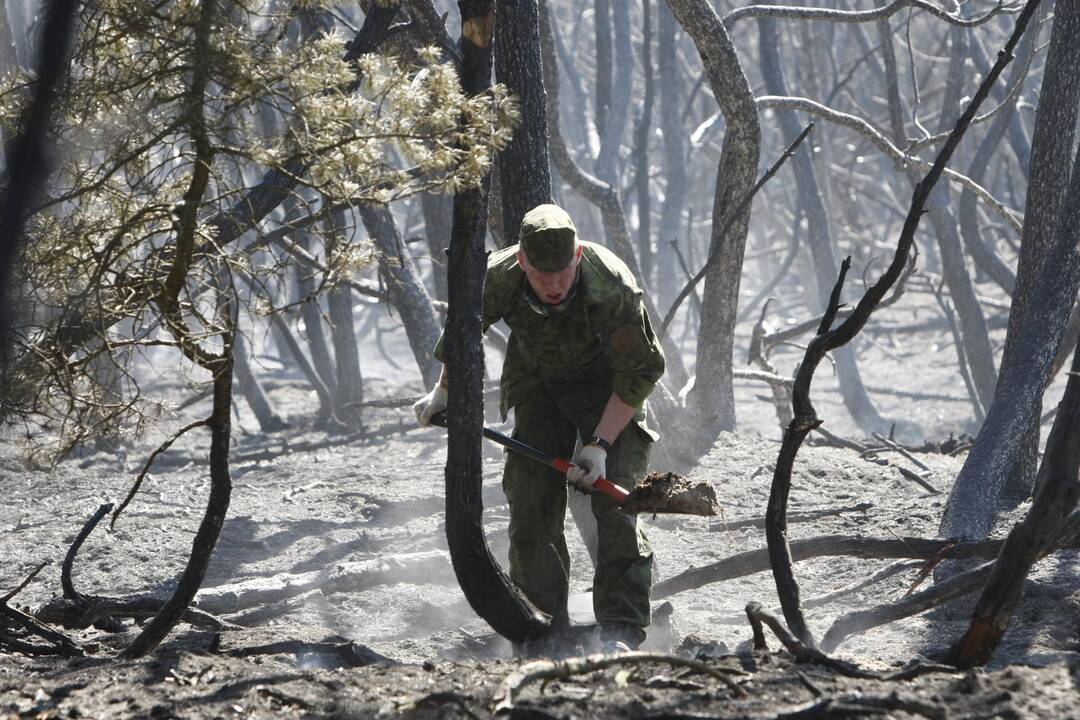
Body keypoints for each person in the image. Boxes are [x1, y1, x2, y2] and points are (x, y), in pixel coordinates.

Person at [413, 203, 665, 653]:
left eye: (563, 273)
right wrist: (444, 393)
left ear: (579, 258)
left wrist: (600, 444)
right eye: (541, 275)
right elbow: (463, 333)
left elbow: (639, 373)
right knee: (530, 504)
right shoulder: (498, 276)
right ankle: (543, 626)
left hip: (609, 388)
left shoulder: (611, 287)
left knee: (616, 505)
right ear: (522, 261)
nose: (553, 285)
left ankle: (622, 628)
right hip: (538, 384)